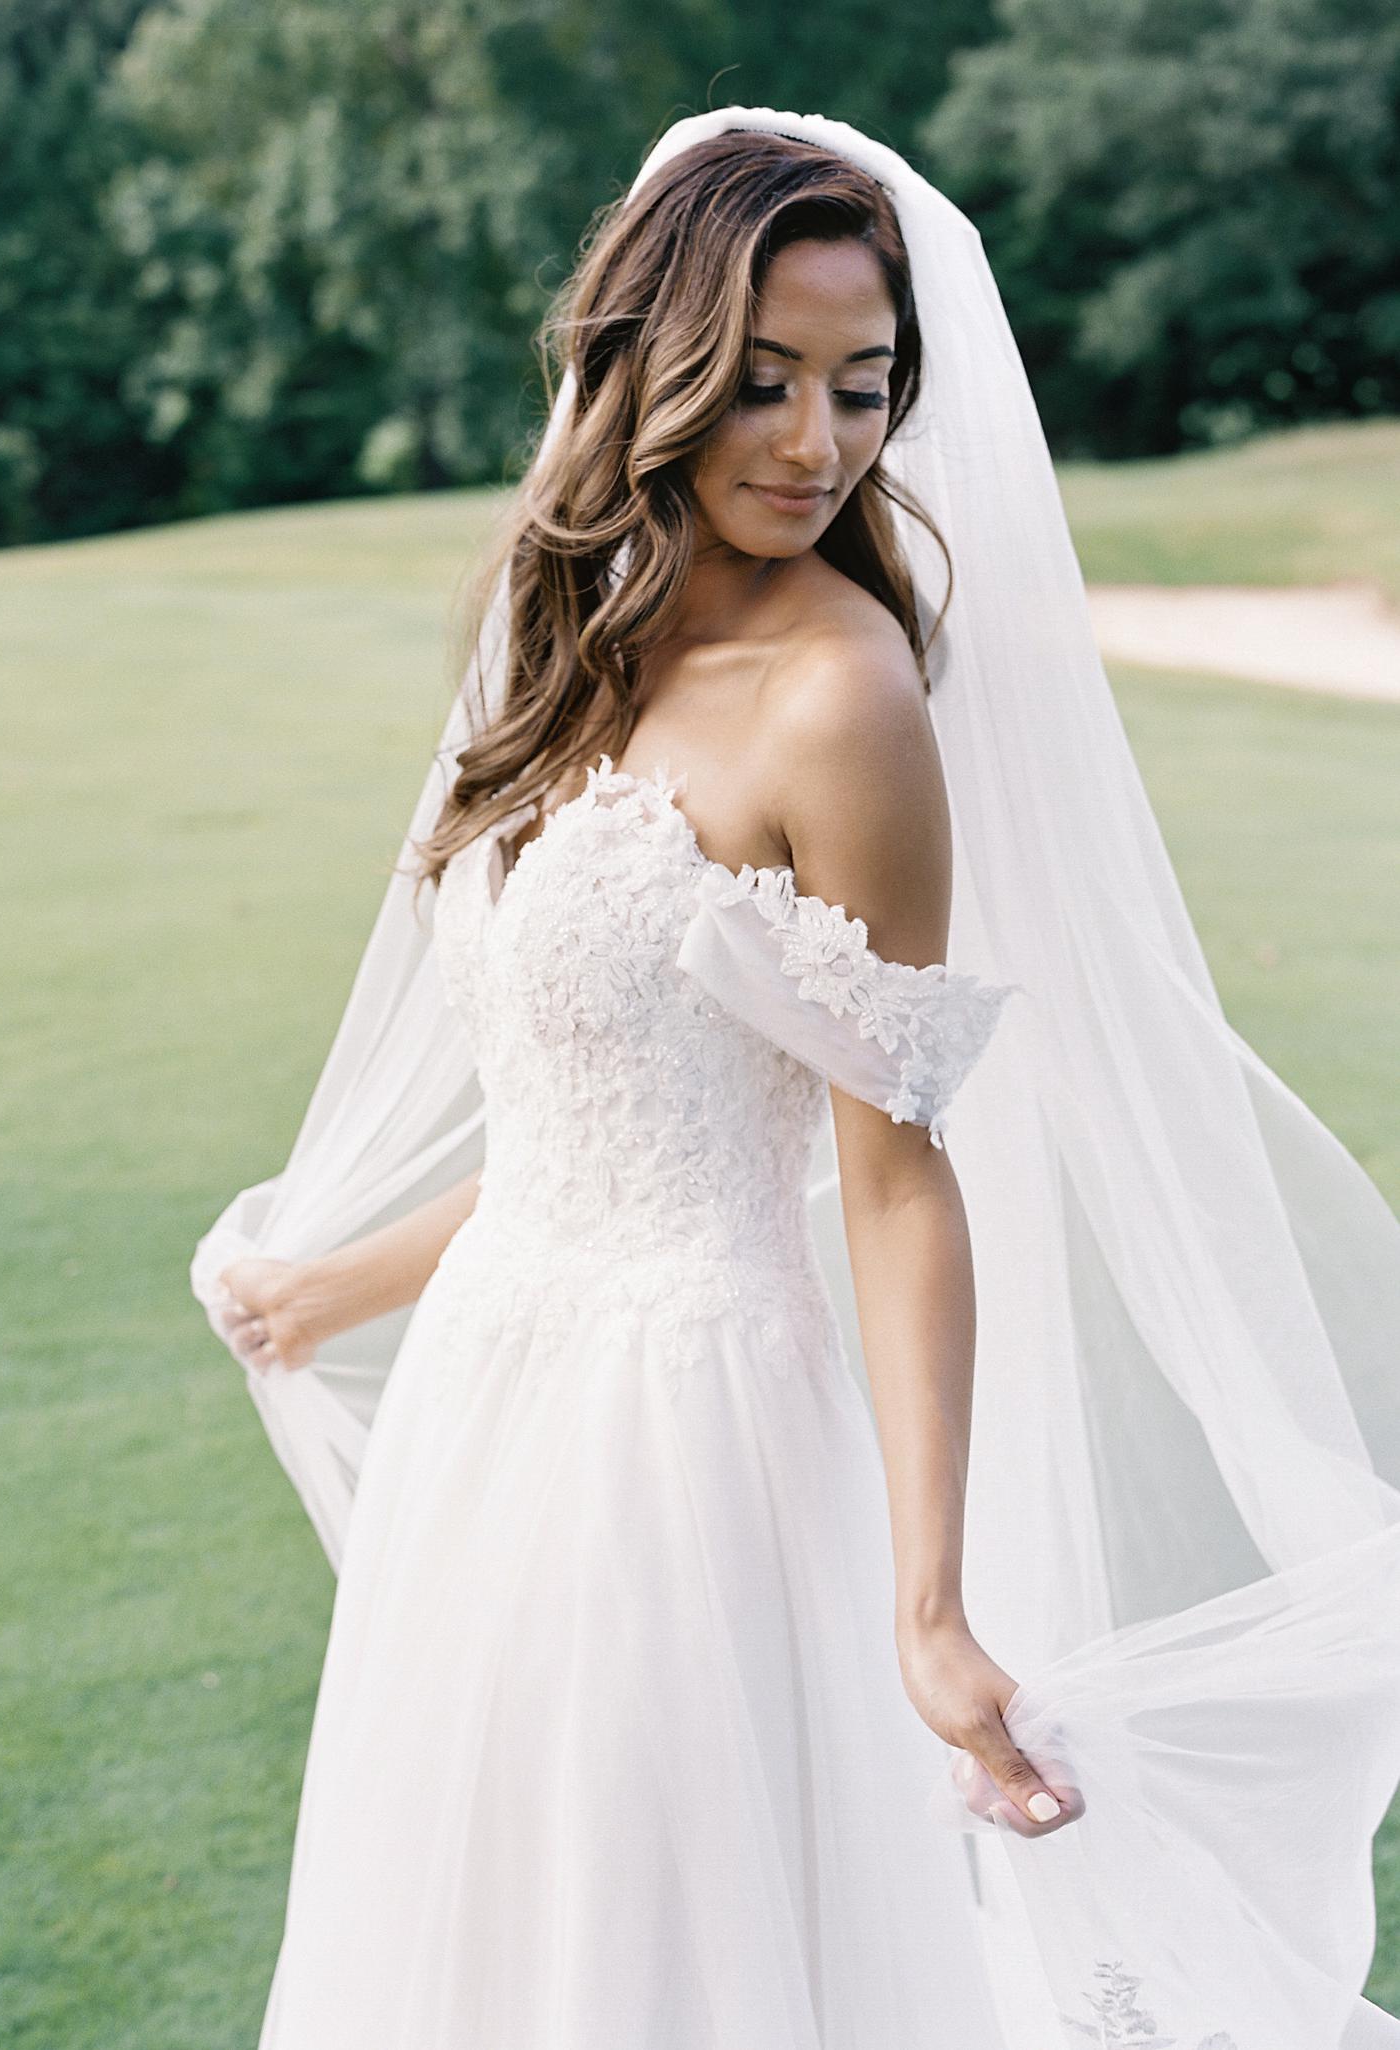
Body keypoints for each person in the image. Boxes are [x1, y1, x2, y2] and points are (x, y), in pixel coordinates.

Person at [193, 110, 1400, 2050]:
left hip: (687, 1444)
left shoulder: (844, 698)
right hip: (486, 1408)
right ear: (644, 367)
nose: (815, 438)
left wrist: (927, 1600)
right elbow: (590, 1119)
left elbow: (894, 1172)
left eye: (858, 385)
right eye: (760, 380)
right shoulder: (563, 632)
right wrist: (335, 1289)